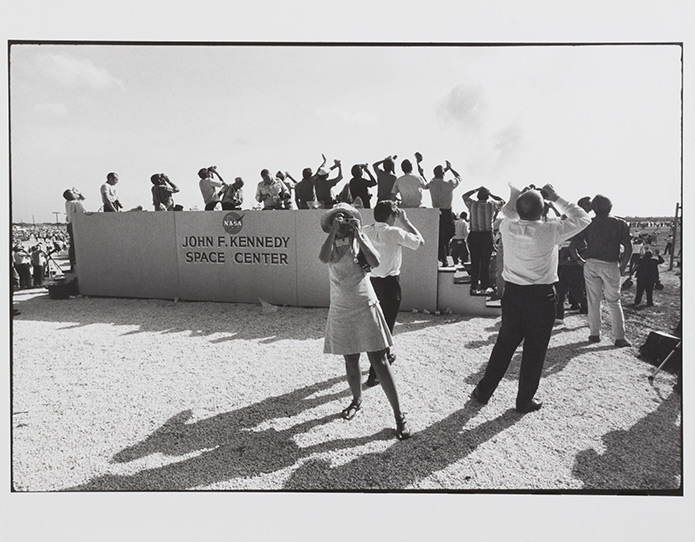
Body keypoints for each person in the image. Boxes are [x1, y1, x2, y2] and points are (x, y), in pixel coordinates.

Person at [471, 184, 591, 413]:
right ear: (543, 209)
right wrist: (555, 197)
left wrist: (522, 197)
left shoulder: (507, 226)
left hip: (514, 294)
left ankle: (484, 391)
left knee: (504, 345)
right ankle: (524, 399)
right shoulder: (550, 230)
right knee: (535, 351)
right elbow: (584, 218)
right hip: (541, 296)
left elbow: (510, 213)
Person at [319, 203, 411, 440]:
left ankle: (399, 415)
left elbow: (375, 262)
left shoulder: (359, 239)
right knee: (350, 360)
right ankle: (356, 400)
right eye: (338, 218)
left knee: (379, 360)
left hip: (363, 302)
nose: (342, 221)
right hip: (341, 305)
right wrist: (333, 233)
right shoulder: (331, 241)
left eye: (346, 217)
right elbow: (323, 257)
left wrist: (358, 234)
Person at [362, 200, 424, 387]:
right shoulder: (395, 232)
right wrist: (406, 222)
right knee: (385, 327)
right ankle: (375, 374)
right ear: (391, 216)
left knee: (376, 325)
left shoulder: (365, 230)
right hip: (390, 285)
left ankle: (386, 355)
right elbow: (420, 242)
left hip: (370, 283)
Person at [576, 194, 632, 347]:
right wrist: (623, 266)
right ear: (611, 207)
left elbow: (573, 244)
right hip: (610, 264)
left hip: (591, 263)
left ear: (593, 209)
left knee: (593, 301)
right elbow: (628, 247)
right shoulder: (620, 224)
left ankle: (594, 334)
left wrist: (580, 261)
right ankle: (619, 338)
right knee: (614, 301)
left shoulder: (588, 223)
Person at [462, 186, 505, 295]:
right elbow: (502, 201)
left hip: (474, 235)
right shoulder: (491, 205)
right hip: (486, 236)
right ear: (487, 196)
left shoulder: (472, 204)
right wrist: (491, 194)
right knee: (485, 263)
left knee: (475, 262)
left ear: (478, 196)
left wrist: (476, 189)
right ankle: (484, 287)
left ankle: (474, 286)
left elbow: (464, 196)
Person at [427, 160, 461, 266]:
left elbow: (431, 181)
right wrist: (450, 168)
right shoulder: (449, 184)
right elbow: (459, 177)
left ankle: (442, 254)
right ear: (443, 174)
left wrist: (444, 170)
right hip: (447, 212)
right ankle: (443, 256)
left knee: (441, 236)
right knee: (449, 233)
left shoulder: (432, 184)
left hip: (436, 212)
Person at [64, 187, 86, 271]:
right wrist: (79, 192)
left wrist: (77, 193)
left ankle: (72, 262)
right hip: (77, 225)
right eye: (73, 193)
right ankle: (78, 261)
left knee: (72, 244)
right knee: (78, 243)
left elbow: (82, 198)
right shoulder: (76, 203)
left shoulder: (67, 202)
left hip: (70, 224)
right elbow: (82, 213)